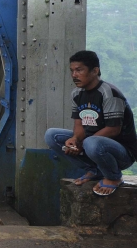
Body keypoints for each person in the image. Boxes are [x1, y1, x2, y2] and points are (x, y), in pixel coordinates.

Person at [44, 50, 137, 196]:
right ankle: (95, 170)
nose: (74, 75)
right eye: (72, 70)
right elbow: (79, 126)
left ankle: (114, 177)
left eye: (79, 70)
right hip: (92, 145)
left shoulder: (109, 93)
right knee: (52, 136)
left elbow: (113, 129)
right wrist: (75, 140)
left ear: (95, 71)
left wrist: (83, 143)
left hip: (121, 153)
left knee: (91, 143)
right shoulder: (76, 93)